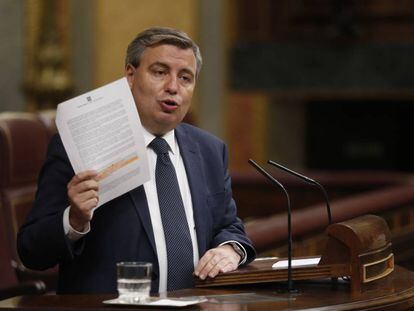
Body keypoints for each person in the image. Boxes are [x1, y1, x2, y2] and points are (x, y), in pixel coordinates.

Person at [17, 27, 256, 294]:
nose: (173, 87)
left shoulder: (210, 150)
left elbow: (229, 225)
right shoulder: (79, 146)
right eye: (160, 72)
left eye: (185, 78)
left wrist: (231, 249)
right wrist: (73, 220)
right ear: (130, 76)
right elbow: (31, 251)